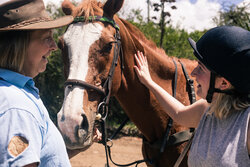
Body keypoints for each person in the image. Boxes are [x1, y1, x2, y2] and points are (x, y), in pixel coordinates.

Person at [134, 26, 250, 166]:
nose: (193, 73)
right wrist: (149, 82)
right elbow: (178, 113)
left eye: (201, 68)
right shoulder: (206, 110)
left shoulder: (246, 123)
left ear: (223, 83)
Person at [0, 0, 74, 166]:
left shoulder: (14, 93)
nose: (54, 46)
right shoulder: (16, 106)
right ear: (19, 44)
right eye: (47, 38)